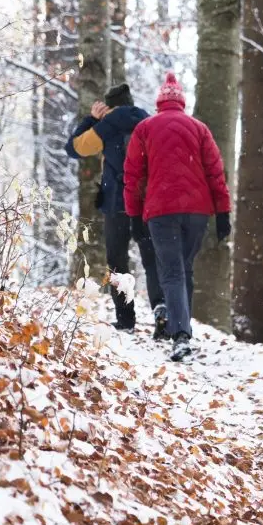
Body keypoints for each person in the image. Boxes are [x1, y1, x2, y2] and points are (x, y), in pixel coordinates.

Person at [123, 72, 232, 362]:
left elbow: (133, 176)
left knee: (171, 271)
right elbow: (215, 173)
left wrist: (133, 215)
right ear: (181, 102)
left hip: (161, 211)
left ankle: (180, 334)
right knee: (185, 269)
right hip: (197, 212)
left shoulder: (145, 129)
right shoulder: (199, 128)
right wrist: (223, 213)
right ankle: (180, 327)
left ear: (159, 102)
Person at [65, 83, 167, 338]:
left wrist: (91, 119)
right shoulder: (148, 122)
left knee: (118, 261)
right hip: (146, 202)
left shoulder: (106, 125)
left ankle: (125, 319)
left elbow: (74, 148)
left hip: (117, 203)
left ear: (109, 106)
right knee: (152, 258)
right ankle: (161, 310)